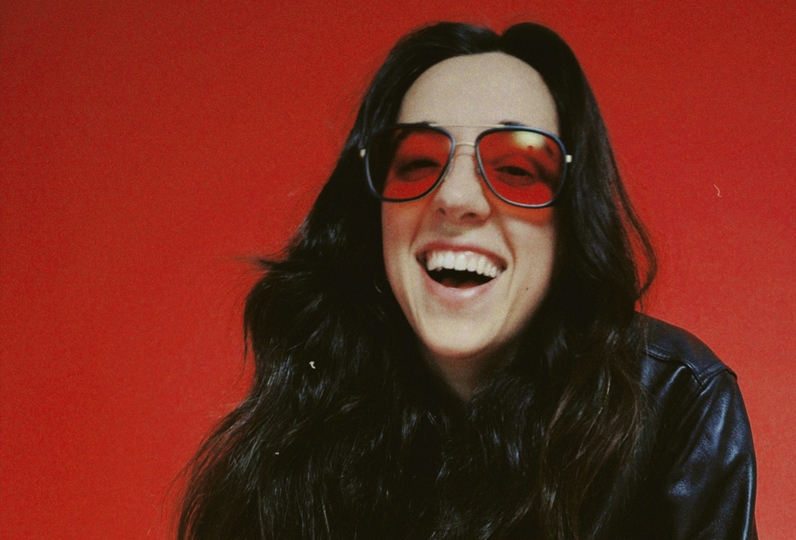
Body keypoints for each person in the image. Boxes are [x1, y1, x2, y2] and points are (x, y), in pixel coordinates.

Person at [178, 22, 758, 540]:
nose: (455, 198)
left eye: (515, 168)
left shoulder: (677, 402)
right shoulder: (306, 420)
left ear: (571, 217)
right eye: (418, 163)